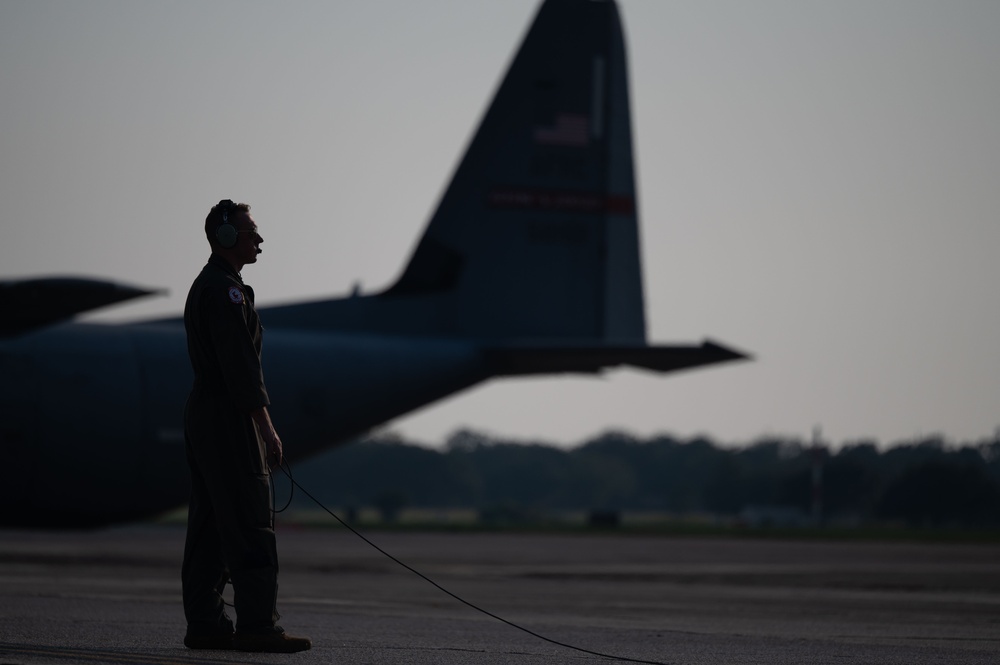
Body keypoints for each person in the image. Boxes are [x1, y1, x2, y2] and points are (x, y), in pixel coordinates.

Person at [181, 199, 310, 653]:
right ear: (226, 238)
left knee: (211, 524)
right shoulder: (225, 291)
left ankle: (206, 624)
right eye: (250, 231)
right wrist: (267, 429)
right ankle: (257, 625)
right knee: (251, 521)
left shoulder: (216, 285)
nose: (258, 238)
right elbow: (241, 370)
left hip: (206, 415)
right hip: (228, 417)